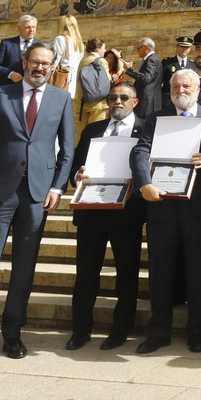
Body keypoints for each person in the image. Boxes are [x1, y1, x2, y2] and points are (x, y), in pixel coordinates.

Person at [0, 43, 76, 365]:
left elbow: (67, 150)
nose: (40, 68)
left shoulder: (62, 99)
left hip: (37, 195)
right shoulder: (0, 94)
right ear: (24, 62)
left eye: (46, 64)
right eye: (35, 62)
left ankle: (12, 333)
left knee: (24, 267)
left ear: (53, 67)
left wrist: (58, 187)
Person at [132, 68, 201, 353]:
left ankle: (196, 330)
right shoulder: (156, 118)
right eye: (176, 86)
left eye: (186, 86)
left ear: (198, 89)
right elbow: (140, 151)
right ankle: (159, 331)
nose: (181, 91)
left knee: (199, 270)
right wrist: (144, 183)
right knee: (160, 271)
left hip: (198, 207)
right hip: (162, 205)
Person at [64, 81, 147, 351]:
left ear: (135, 102)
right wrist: (77, 176)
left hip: (127, 214)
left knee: (126, 275)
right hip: (91, 211)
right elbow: (75, 165)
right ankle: (80, 330)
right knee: (86, 274)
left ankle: (120, 330)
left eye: (123, 97)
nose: (117, 102)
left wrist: (139, 183)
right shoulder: (93, 129)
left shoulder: (146, 129)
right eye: (113, 97)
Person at [0, 15, 41, 85]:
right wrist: (10, 74)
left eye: (33, 27)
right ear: (19, 28)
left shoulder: (41, 46)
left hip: (31, 86)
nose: (31, 30)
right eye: (28, 27)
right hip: (8, 86)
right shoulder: (7, 44)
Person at [77, 38, 113, 126]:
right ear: (98, 49)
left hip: (82, 101)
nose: (105, 50)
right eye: (104, 48)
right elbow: (108, 80)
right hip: (98, 103)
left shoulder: (83, 60)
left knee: (81, 131)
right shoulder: (101, 61)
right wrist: (119, 72)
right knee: (95, 131)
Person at [50, 12, 86, 96]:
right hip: (72, 83)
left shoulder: (60, 39)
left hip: (60, 80)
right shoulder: (79, 43)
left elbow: (54, 62)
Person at [131, 37, 164, 116]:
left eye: (138, 48)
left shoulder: (151, 60)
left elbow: (146, 79)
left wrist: (130, 70)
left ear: (146, 47)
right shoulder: (152, 59)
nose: (137, 51)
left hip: (146, 103)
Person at [161, 35, 197, 101]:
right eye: (182, 46)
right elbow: (159, 82)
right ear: (176, 47)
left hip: (186, 100)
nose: (184, 49)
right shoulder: (167, 63)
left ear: (190, 49)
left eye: (187, 47)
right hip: (169, 100)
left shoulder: (193, 65)